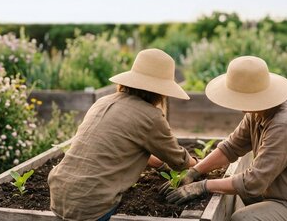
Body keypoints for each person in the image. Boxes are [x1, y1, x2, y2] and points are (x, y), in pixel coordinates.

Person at [165, 56, 287, 221]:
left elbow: (253, 182)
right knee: (245, 195)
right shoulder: (259, 111)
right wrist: (194, 172)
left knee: (244, 218)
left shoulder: (284, 123)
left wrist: (203, 186)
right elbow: (230, 147)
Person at [48, 48, 197, 221]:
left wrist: (160, 166)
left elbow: (121, 145)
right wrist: (197, 165)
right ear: (161, 92)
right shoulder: (151, 116)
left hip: (59, 193)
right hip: (92, 203)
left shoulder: (103, 102)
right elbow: (179, 161)